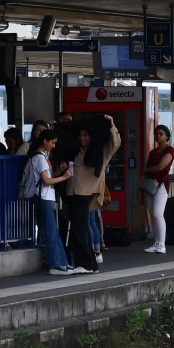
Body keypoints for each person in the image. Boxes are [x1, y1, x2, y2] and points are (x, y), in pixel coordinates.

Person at [66, 115, 119, 272]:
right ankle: (89, 264)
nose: (82, 138)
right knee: (78, 228)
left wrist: (112, 125)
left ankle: (85, 264)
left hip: (85, 192)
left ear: (92, 137)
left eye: (85, 135)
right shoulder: (76, 150)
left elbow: (115, 143)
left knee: (81, 227)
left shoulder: (100, 152)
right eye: (80, 135)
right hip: (73, 192)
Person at [24, 129, 80, 275]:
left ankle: (62, 263)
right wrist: (65, 177)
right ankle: (55, 265)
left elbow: (47, 177)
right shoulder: (40, 158)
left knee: (53, 232)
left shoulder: (41, 156)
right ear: (45, 141)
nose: (53, 146)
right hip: (43, 197)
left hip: (44, 197)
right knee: (51, 233)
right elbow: (47, 180)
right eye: (52, 143)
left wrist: (60, 172)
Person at [141, 125, 174, 253]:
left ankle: (162, 244)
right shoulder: (152, 152)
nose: (158, 136)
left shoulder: (170, 150)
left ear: (167, 136)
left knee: (157, 213)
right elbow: (147, 168)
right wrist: (140, 184)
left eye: (161, 134)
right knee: (153, 214)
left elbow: (160, 167)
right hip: (149, 185)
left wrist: (146, 170)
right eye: (156, 134)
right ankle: (156, 242)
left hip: (161, 184)